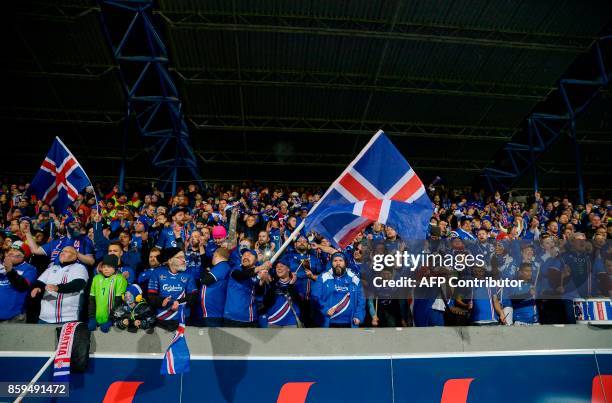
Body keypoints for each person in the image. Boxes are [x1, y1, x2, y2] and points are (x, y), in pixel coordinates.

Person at [30, 246, 89, 324]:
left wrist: (58, 287)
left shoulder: (79, 268)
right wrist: (37, 288)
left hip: (69, 318)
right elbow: (40, 282)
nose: (62, 253)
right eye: (62, 251)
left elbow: (79, 284)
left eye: (66, 251)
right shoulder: (52, 268)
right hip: (45, 318)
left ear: (75, 256)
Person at [147, 247, 198, 331]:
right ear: (170, 260)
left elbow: (193, 296)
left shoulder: (188, 274)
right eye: (180, 257)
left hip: (183, 320)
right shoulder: (157, 273)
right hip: (162, 319)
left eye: (184, 257)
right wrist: (162, 301)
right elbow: (151, 295)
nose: (184, 260)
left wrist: (178, 302)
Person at [224, 249, 271, 327]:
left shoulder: (258, 274)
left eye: (249, 255)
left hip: (250, 318)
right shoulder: (236, 269)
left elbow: (259, 293)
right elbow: (241, 276)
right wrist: (261, 267)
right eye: (244, 256)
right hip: (231, 318)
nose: (245, 257)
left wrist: (261, 281)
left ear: (256, 260)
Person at [22, 217, 95, 267]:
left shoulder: (85, 239)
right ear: (66, 227)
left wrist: (75, 253)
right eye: (73, 224)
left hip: (73, 270)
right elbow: (35, 250)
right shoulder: (57, 241)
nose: (77, 226)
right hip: (53, 271)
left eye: (78, 224)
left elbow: (91, 261)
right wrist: (27, 232)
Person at [317, 252, 365, 328]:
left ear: (345, 263)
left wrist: (359, 315)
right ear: (331, 263)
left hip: (350, 322)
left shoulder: (354, 278)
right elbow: (316, 297)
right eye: (335, 261)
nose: (338, 263)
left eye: (340, 260)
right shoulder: (323, 277)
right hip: (329, 322)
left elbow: (361, 300)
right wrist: (325, 309)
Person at [88, 254, 128, 332]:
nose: (106, 269)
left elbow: (119, 302)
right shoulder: (96, 278)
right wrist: (92, 317)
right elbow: (92, 300)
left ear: (115, 267)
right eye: (104, 267)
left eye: (109, 267)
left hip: (111, 318)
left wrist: (111, 319)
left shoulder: (120, 279)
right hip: (97, 316)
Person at [0, 241, 37, 322]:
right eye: (10, 250)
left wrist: (10, 271)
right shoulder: (1, 266)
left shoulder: (29, 269)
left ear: (24, 255)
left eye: (16, 250)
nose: (11, 252)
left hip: (14, 317)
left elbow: (22, 286)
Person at [260, 257, 302, 328]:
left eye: (282, 266)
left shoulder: (297, 284)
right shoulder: (273, 284)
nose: (278, 268)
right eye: (277, 267)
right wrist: (269, 284)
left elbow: (299, 302)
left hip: (291, 323)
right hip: (273, 322)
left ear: (288, 269)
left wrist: (291, 285)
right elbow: (266, 302)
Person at [198, 247, 232, 327]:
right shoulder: (220, 267)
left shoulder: (223, 266)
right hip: (211, 313)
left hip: (214, 313)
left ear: (216, 255)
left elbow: (206, 280)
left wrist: (205, 271)